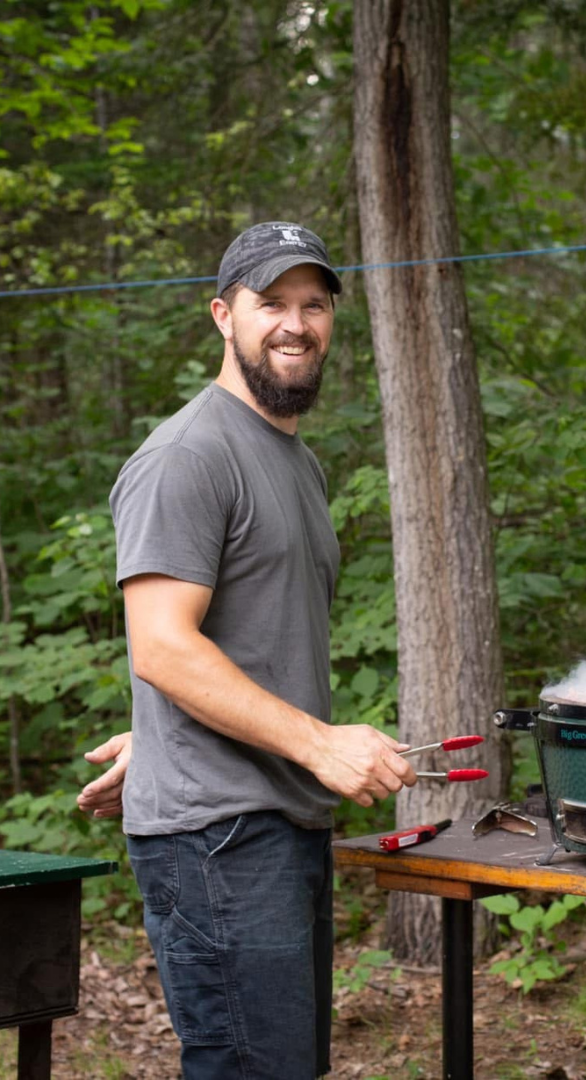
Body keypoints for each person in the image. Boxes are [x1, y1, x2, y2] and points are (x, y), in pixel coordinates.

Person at [77, 221, 416, 1080]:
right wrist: (320, 743)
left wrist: (158, 737)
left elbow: (225, 641)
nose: (295, 323)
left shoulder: (295, 463)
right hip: (219, 838)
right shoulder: (189, 455)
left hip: (273, 821)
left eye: (314, 304)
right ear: (224, 314)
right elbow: (160, 647)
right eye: (272, 303)